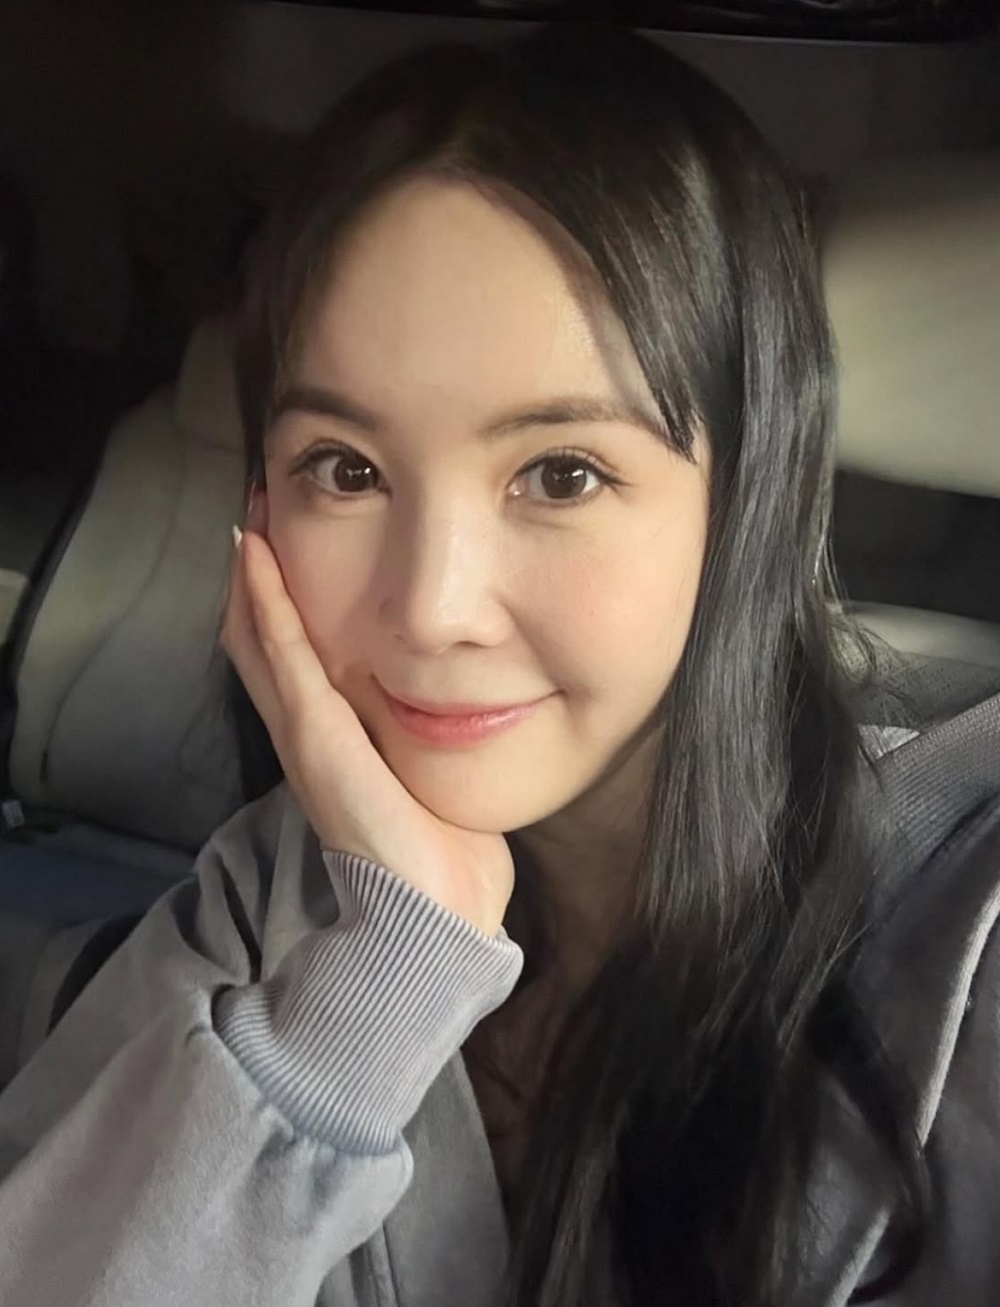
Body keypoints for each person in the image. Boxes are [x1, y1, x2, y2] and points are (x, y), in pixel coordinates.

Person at [1, 21, 999, 1307]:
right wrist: (375, 983)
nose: (430, 610)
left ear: (747, 500)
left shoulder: (964, 945)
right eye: (345, 470)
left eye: (561, 474)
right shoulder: (265, 905)